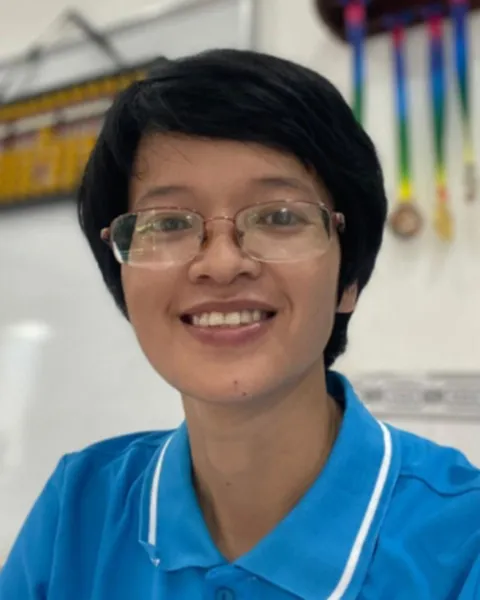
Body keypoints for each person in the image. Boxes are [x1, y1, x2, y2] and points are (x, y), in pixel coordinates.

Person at [1, 49, 479, 600]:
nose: (222, 264)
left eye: (279, 216)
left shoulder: (464, 541)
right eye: (169, 223)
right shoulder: (79, 509)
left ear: (348, 278)